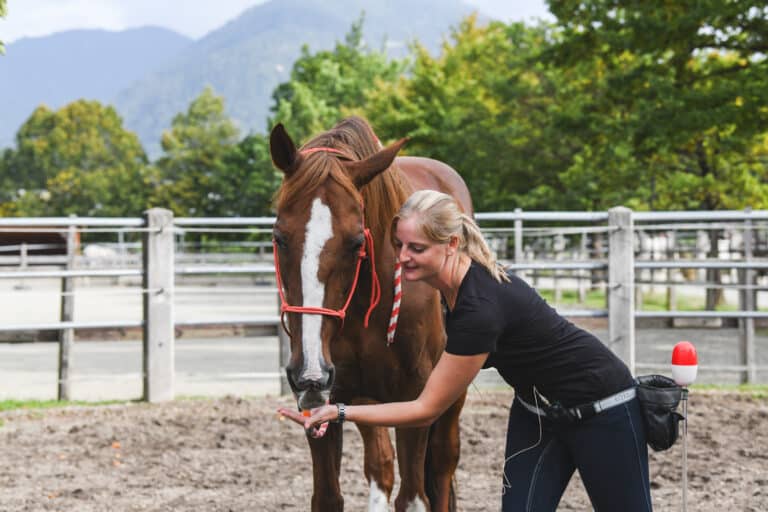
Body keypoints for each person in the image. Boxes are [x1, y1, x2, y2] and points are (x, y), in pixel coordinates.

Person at [278, 190, 653, 511]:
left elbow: (425, 409)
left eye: (417, 248)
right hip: (537, 411)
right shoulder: (448, 290)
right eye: (399, 244)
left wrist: (338, 411)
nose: (403, 256)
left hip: (602, 409)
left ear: (451, 245)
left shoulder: (479, 310)